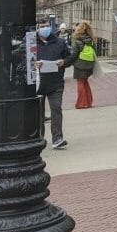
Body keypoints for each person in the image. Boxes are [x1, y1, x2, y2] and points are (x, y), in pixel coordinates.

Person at [34, 19, 72, 149]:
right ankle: (39, 138)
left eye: (46, 26)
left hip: (56, 82)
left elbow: (69, 57)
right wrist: (34, 64)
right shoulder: (32, 44)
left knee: (56, 108)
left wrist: (64, 62)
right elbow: (22, 59)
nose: (44, 28)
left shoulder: (60, 42)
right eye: (41, 26)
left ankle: (57, 138)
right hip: (38, 84)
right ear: (37, 28)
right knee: (38, 112)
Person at [69, 20, 98, 109]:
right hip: (89, 64)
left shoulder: (77, 40)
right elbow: (95, 52)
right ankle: (88, 102)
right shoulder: (91, 40)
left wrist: (70, 62)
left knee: (80, 83)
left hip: (79, 64)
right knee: (85, 82)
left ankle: (81, 103)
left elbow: (73, 54)